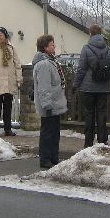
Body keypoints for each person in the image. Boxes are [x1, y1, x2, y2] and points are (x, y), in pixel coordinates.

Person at [73, 24, 110, 147]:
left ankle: (88, 143)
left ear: (90, 34)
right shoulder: (108, 49)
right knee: (102, 114)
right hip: (103, 88)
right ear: (101, 34)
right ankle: (102, 141)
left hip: (88, 88)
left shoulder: (86, 48)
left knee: (89, 114)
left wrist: (76, 85)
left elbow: (81, 69)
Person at [32, 34, 67, 168]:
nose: (54, 46)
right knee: (48, 132)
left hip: (55, 101)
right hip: (49, 104)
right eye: (52, 44)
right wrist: (47, 104)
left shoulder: (51, 61)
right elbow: (44, 86)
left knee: (54, 131)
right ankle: (45, 158)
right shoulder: (44, 64)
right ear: (45, 47)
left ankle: (53, 157)